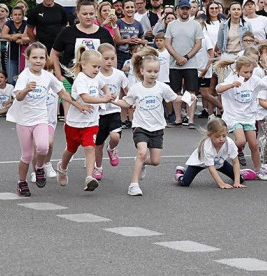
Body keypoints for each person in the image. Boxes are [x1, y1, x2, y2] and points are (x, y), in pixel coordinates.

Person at [8, 42, 88, 197]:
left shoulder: (48, 76)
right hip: (24, 121)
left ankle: (39, 168)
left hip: (40, 118)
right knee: (26, 155)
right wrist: (26, 89)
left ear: (45, 60)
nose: (38, 61)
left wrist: (78, 105)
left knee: (43, 147)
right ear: (28, 58)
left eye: (41, 58)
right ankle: (21, 182)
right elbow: (18, 97)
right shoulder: (25, 75)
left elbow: (62, 93)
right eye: (34, 57)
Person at [113, 47, 179, 196]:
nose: (153, 74)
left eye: (156, 71)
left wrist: (189, 98)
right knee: (141, 152)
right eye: (149, 71)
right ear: (142, 71)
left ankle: (142, 164)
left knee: (155, 161)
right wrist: (115, 101)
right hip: (140, 126)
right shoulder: (136, 89)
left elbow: (175, 98)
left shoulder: (162, 87)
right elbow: (127, 103)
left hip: (157, 128)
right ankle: (134, 184)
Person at [54, 47, 113, 192]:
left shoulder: (97, 77)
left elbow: (104, 86)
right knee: (71, 149)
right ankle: (62, 167)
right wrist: (102, 99)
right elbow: (85, 97)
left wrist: (108, 94)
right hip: (74, 122)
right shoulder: (81, 79)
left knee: (89, 148)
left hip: (91, 123)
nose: (97, 70)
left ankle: (89, 177)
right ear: (83, 65)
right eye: (94, 66)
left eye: (99, 67)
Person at [51, 0, 114, 86]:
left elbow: (113, 56)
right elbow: (54, 53)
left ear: (95, 13)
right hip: (70, 82)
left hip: (98, 83)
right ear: (78, 13)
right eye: (85, 14)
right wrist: (59, 76)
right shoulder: (67, 32)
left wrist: (110, 77)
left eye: (91, 14)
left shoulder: (104, 33)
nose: (88, 17)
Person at [175, 118, 247, 188]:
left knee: (240, 179)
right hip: (199, 163)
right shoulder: (207, 146)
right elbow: (211, 167)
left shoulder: (229, 143)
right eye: (218, 136)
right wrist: (221, 183)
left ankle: (242, 173)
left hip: (219, 161)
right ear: (210, 135)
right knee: (185, 182)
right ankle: (180, 173)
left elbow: (236, 162)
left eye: (224, 135)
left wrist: (237, 182)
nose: (221, 139)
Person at [165, 0, 203, 127]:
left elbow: (198, 44)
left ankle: (190, 119)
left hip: (191, 63)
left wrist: (186, 57)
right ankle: (177, 119)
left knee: (191, 92)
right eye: (182, 9)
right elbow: (167, 43)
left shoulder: (195, 25)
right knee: (175, 92)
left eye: (187, 9)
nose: (185, 11)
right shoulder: (171, 25)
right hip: (174, 63)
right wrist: (177, 57)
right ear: (177, 10)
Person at [93, 43, 128, 180]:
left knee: (115, 137)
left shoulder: (119, 74)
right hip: (99, 113)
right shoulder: (95, 75)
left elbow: (127, 91)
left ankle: (112, 149)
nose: (109, 61)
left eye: (112, 58)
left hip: (114, 111)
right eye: (105, 58)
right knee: (98, 144)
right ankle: (98, 167)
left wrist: (132, 102)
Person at [27, 0, 71, 64]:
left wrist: (62, 42)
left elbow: (64, 28)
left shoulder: (61, 10)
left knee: (57, 68)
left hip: (57, 46)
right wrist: (36, 43)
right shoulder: (36, 10)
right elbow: (29, 30)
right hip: (42, 45)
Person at [1, 5, 30, 82]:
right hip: (12, 56)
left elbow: (30, 37)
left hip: (25, 57)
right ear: (11, 16)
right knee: (11, 80)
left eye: (19, 14)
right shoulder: (9, 23)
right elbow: (3, 35)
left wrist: (18, 36)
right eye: (15, 14)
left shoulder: (26, 24)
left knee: (23, 79)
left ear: (23, 16)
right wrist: (15, 36)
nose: (17, 17)